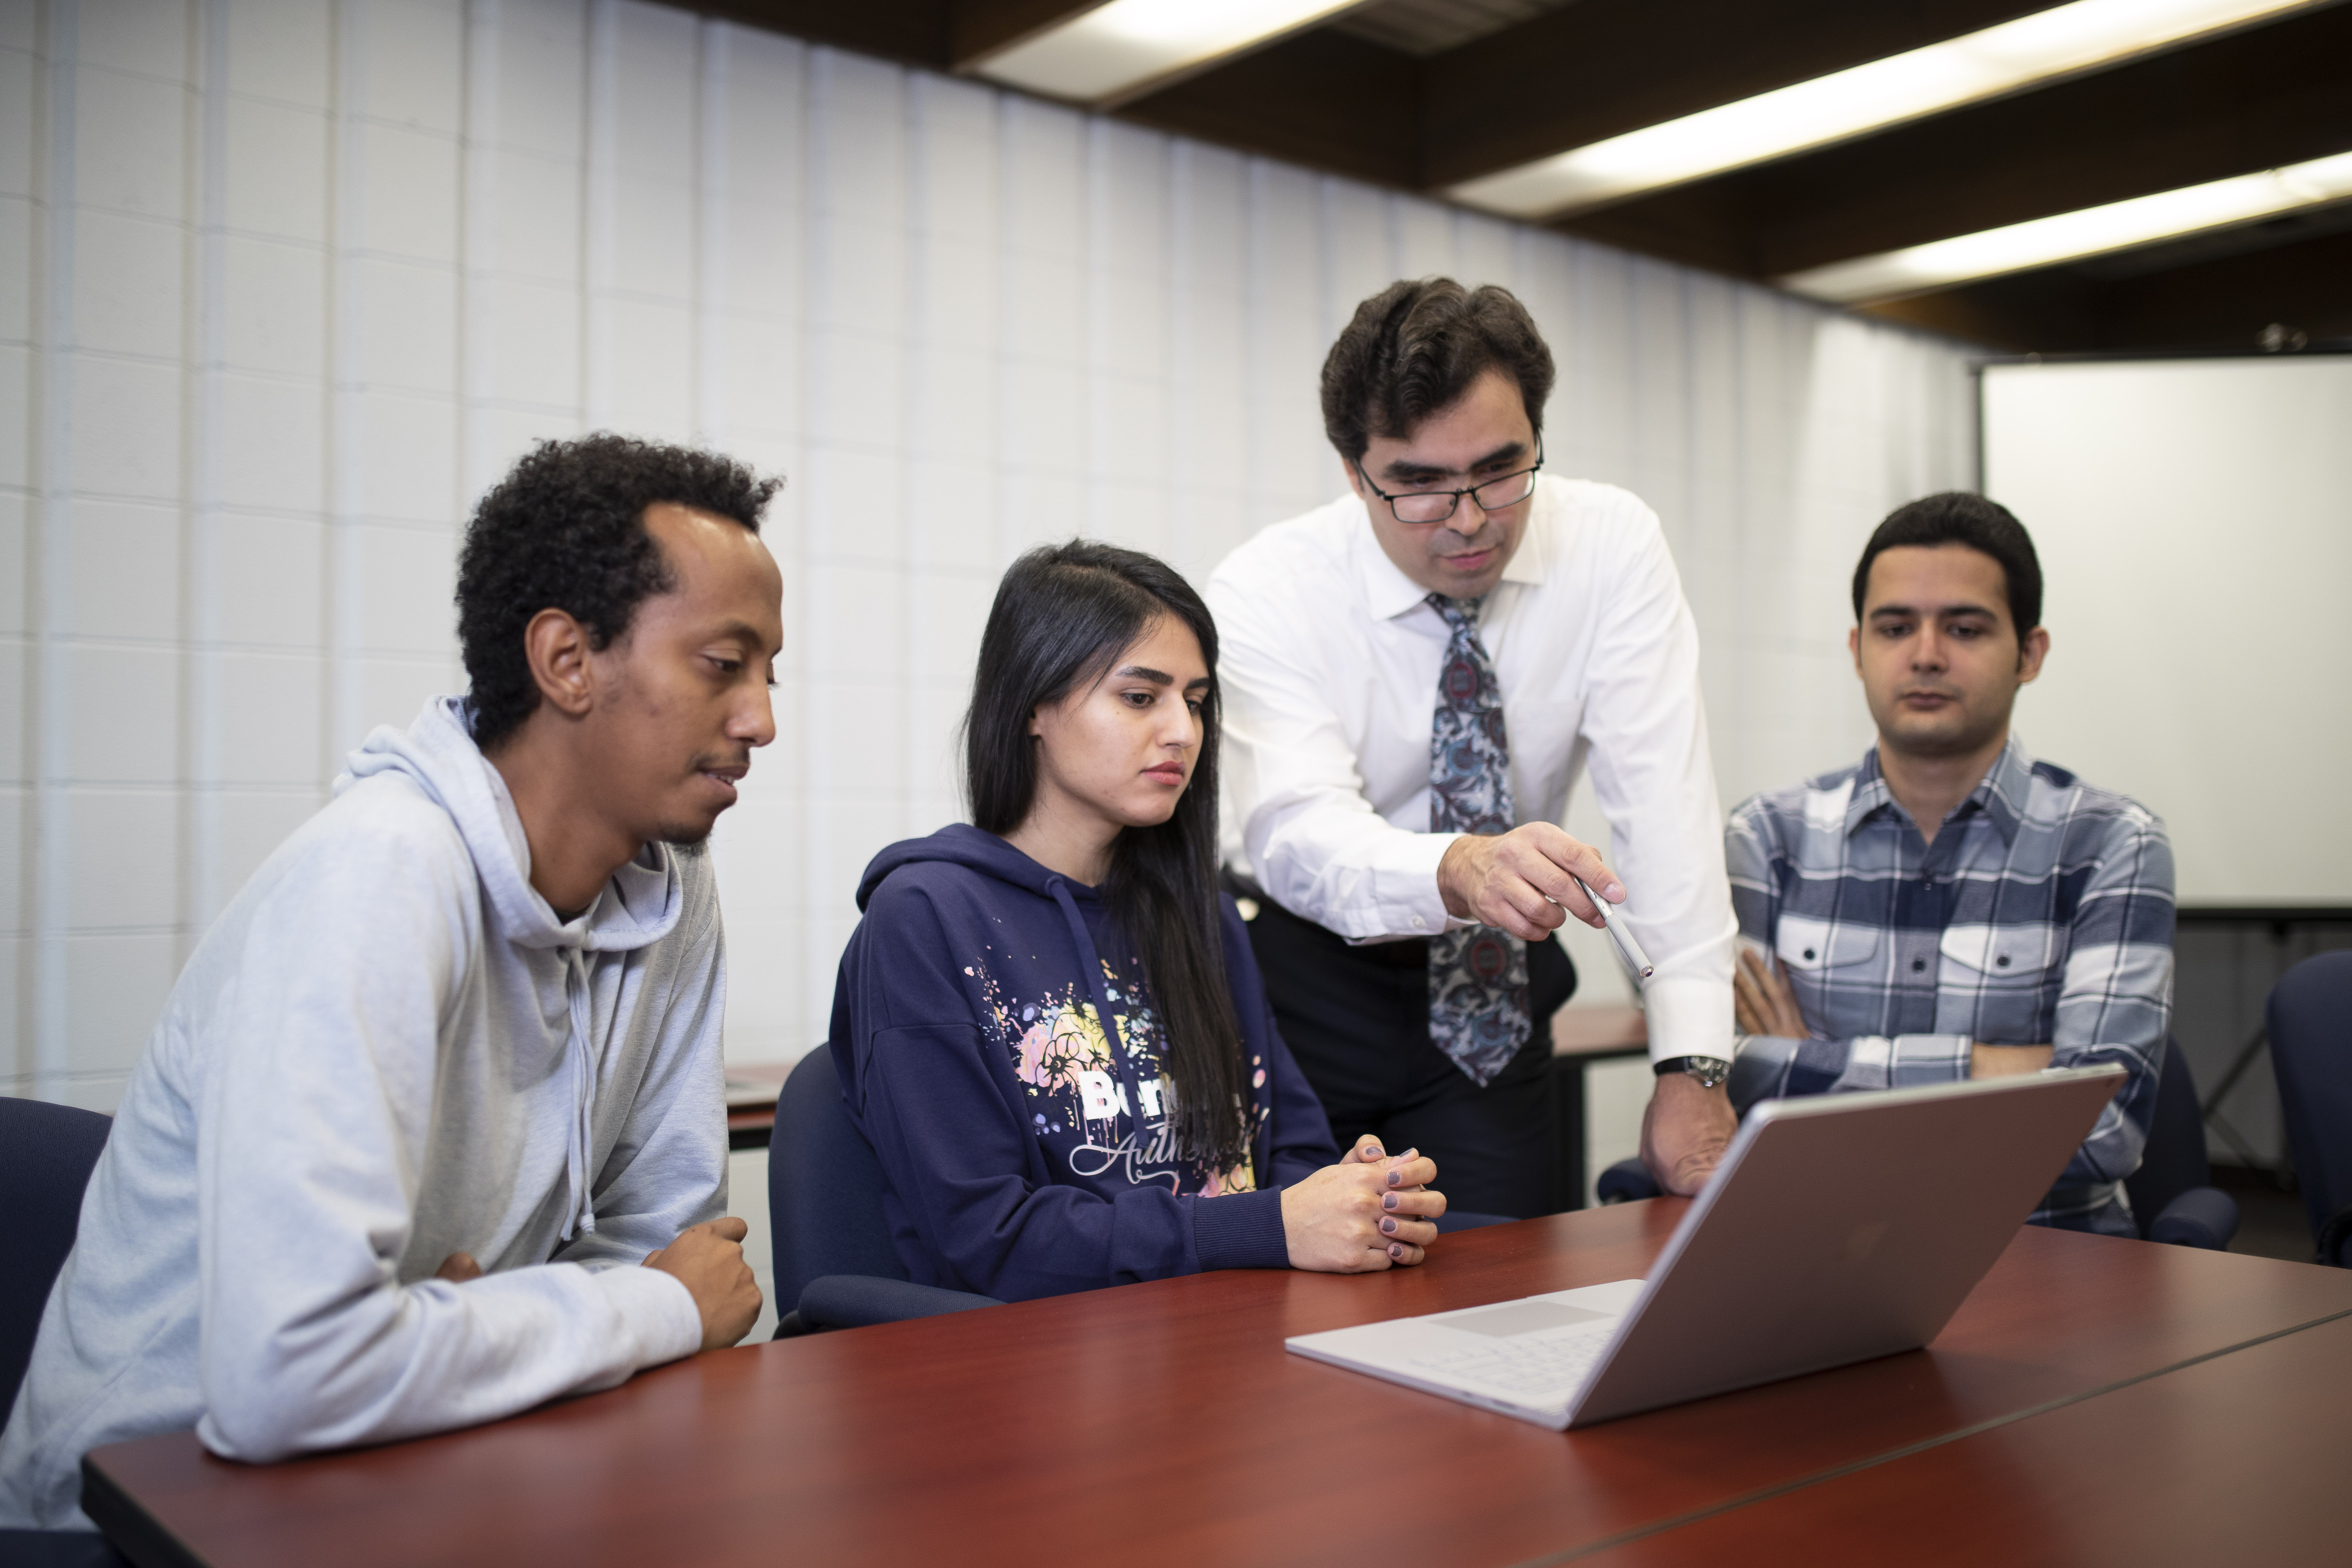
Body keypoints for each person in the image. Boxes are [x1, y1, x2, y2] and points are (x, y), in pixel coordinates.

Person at [0, 435, 780, 1530]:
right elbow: (292, 1379)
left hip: (437, 1458)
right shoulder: (377, 874)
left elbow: (676, 1248)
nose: (761, 719)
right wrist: (629, 1309)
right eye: (722, 664)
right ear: (566, 662)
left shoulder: (668, 889)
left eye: (769, 674)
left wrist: (477, 1327)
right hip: (138, 1520)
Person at [1206, 279, 1739, 1219]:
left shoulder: (1610, 545)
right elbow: (1296, 830)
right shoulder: (1267, 587)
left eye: (1501, 470)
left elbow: (1665, 814)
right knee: (1287, 1309)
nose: (1468, 519)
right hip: (1300, 991)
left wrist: (1691, 1062)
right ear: (1353, 468)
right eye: (1416, 485)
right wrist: (1456, 868)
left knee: (1511, 1305)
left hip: (1490, 992)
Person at [827, 542, 1454, 1303]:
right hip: (1045, 1365)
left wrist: (1355, 1200)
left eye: (1194, 701)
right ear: (1033, 705)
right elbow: (987, 1239)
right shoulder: (925, 920)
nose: (1183, 732)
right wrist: (1271, 1226)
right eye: (1139, 697)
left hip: (1237, 1330)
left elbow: (1288, 1149)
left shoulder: (1205, 917)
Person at [1725, 493, 2171, 1235]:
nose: (1926, 653)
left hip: (2049, 1258)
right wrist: (2002, 1069)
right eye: (1895, 627)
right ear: (1857, 648)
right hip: (1819, 1252)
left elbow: (2103, 1129)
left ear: (2031, 654)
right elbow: (1731, 1086)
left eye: (1964, 628)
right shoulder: (1767, 837)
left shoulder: (2114, 843)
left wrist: (1815, 1067)